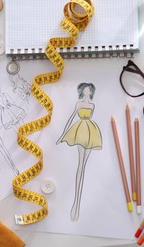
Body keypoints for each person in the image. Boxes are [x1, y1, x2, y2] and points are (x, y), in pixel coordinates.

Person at [56, 83, 102, 221]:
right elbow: (70, 118)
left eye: (89, 89)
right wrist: (62, 135)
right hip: (80, 130)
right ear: (82, 91)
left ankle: (78, 202)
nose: (87, 91)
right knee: (80, 165)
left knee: (84, 166)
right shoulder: (78, 104)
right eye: (85, 89)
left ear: (91, 91)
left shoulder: (93, 106)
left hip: (91, 130)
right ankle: (76, 202)